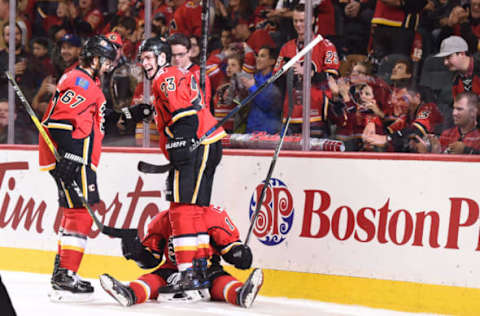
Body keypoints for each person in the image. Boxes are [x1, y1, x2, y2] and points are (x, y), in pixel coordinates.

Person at [121, 37, 226, 292]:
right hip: (206, 143)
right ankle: (200, 267)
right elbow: (175, 109)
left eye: (149, 57)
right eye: (142, 58)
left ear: (163, 58)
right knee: (196, 208)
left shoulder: (164, 77)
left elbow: (185, 114)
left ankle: (188, 273)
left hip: (196, 145)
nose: (144, 63)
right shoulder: (172, 76)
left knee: (182, 209)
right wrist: (140, 112)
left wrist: (181, 144)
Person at [38, 35, 117, 301]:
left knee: (75, 211)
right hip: (76, 157)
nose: (107, 67)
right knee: (81, 213)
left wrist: (128, 115)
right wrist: (70, 157)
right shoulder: (80, 80)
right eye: (105, 61)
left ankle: (63, 272)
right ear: (94, 58)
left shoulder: (88, 81)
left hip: (78, 157)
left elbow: (94, 117)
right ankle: (66, 274)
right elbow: (60, 120)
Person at [99, 205, 262, 308]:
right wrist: (138, 254)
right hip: (172, 271)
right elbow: (152, 259)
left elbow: (230, 247)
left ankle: (240, 293)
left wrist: (239, 253)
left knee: (220, 280)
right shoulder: (162, 219)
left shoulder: (212, 214)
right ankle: (131, 293)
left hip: (208, 270)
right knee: (154, 279)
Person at [274, 3, 340, 137]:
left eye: (302, 21)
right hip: (290, 114)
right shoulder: (286, 48)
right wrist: (287, 72)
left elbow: (332, 78)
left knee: (315, 156)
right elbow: (276, 79)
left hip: (315, 115)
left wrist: (309, 73)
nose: (298, 25)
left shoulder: (326, 45)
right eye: (295, 21)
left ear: (313, 20)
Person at [240, 45, 282, 134]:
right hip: (251, 130)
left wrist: (252, 88)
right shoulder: (253, 78)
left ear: (272, 61)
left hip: (269, 131)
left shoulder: (275, 80)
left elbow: (268, 105)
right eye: (257, 56)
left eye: (262, 56)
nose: (258, 59)